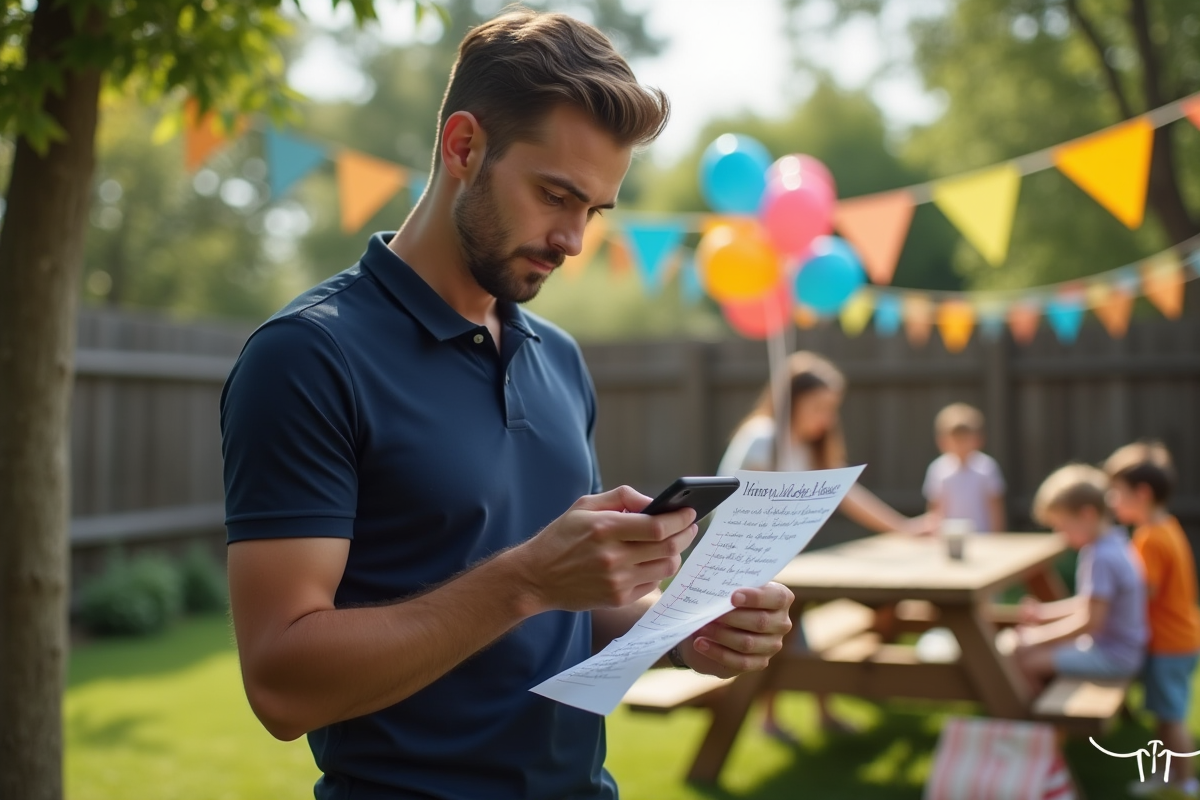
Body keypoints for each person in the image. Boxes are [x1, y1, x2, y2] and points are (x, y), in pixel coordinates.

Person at [219, 10, 795, 800]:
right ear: (464, 147)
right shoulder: (307, 358)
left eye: (594, 210)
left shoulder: (557, 357)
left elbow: (575, 613)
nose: (574, 240)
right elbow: (282, 684)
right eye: (556, 195)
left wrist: (685, 625)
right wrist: (526, 579)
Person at [716, 350, 934, 742]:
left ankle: (816, 710)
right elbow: (733, 507)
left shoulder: (805, 445)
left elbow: (847, 493)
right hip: (745, 563)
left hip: (782, 561)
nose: (827, 418)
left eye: (832, 408)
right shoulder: (764, 439)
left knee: (797, 625)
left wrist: (904, 528)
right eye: (818, 406)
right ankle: (777, 716)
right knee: (784, 631)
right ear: (791, 402)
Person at [1105, 442, 1200, 798]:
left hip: (1169, 644)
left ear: (1142, 494)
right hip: (1179, 639)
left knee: (1171, 717)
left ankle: (1186, 782)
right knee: (1164, 715)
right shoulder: (1167, 527)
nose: (1112, 501)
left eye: (1117, 493)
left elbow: (1143, 593)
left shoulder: (1150, 539)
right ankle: (1165, 777)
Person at [1013, 464, 1147, 693]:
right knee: (1028, 651)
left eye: (1062, 525)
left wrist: (1038, 637)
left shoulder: (1101, 557)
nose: (1060, 534)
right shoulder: (1114, 542)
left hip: (1113, 656)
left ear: (1087, 514)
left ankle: (1041, 722)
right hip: (1119, 649)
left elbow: (1090, 621)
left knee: (1025, 662)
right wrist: (1044, 614)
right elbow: (1090, 603)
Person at [922, 403, 1006, 534]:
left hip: (983, 536)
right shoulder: (937, 468)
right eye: (955, 439)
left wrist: (997, 538)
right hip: (950, 538)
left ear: (977, 439)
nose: (960, 445)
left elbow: (995, 508)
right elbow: (935, 511)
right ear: (943, 441)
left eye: (965, 439)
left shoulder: (986, 466)